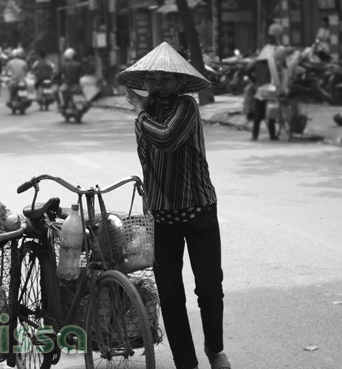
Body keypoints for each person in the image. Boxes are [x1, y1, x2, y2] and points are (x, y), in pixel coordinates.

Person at [117, 42, 230, 369]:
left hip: (199, 212)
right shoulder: (147, 111)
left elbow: (165, 139)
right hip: (161, 217)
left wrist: (140, 111)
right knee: (170, 295)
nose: (158, 85)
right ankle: (186, 363)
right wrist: (142, 109)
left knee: (209, 288)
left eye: (166, 79)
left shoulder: (187, 107)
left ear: (180, 83)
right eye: (152, 79)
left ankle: (215, 350)